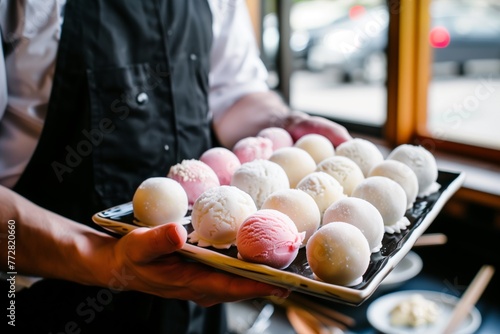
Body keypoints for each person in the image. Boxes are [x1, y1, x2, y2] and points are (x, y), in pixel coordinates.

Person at [0, 0, 351, 333]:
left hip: (202, 285)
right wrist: (107, 259)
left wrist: (280, 120)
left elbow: (233, 95)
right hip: (54, 293)